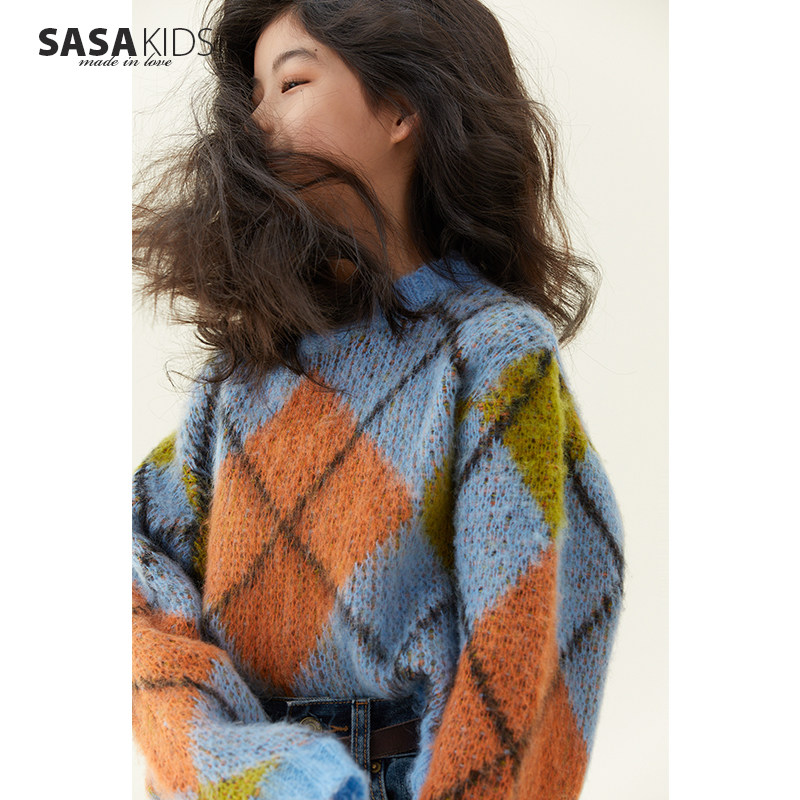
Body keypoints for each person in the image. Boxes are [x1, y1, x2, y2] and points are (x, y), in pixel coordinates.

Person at [132, 1, 626, 798]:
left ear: (402, 108)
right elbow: (128, 564)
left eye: (292, 82)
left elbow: (517, 650)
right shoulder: (242, 376)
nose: (258, 120)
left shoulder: (492, 354)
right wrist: (234, 760)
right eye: (253, 95)